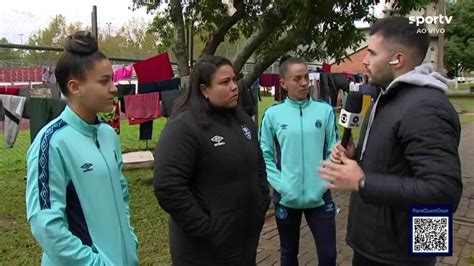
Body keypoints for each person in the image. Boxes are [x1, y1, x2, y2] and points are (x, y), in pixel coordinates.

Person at [319, 16, 462, 266]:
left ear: (398, 59)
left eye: (372, 53)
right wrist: (358, 155)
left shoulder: (426, 107)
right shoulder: (389, 95)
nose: (364, 60)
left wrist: (361, 182)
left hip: (398, 256)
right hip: (379, 244)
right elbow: (396, 159)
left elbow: (444, 193)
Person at [25, 31, 139, 265]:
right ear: (75, 86)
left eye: (113, 79)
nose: (114, 88)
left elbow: (121, 194)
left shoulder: (108, 134)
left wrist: (130, 241)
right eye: (104, 81)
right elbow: (46, 226)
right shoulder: (51, 143)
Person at [153, 55, 270, 265]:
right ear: (204, 89)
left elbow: (258, 166)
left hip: (244, 242)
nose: (235, 87)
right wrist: (208, 229)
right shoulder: (184, 126)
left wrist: (262, 201)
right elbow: (168, 186)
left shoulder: (243, 119)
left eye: (234, 80)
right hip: (204, 251)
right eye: (225, 82)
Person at [259, 55, 339, 266]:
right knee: (288, 254)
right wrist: (281, 185)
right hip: (286, 198)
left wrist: (324, 183)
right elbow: (264, 154)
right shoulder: (273, 114)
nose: (304, 83)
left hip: (320, 197)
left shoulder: (324, 111)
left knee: (329, 255)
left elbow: (334, 150)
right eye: (297, 79)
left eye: (306, 77)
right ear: (283, 83)